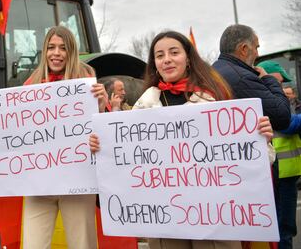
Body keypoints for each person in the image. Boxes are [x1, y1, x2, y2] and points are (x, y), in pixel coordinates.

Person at [90, 30, 274, 249]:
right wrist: (101, 147)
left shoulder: (216, 98)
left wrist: (260, 136)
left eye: (174, 52)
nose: (166, 59)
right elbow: (124, 163)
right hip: (165, 220)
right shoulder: (142, 106)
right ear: (155, 64)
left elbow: (249, 158)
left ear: (188, 58)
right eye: (159, 55)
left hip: (214, 217)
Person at [0, 26, 108, 249]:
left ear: (71, 52)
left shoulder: (88, 82)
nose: (56, 53)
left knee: (83, 244)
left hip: (77, 183)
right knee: (32, 244)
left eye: (63, 48)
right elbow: (9, 127)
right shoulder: (30, 85)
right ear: (44, 51)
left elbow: (105, 132)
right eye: (51, 47)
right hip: (39, 185)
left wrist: (101, 105)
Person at [212, 24, 291, 131]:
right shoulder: (243, 78)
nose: (257, 54)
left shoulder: (212, 72)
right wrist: (268, 78)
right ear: (244, 49)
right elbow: (282, 118)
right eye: (256, 47)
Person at [257, 60, 301, 249]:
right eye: (279, 82)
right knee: (284, 228)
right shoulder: (269, 101)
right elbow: (287, 124)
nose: (282, 87)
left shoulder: (277, 100)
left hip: (287, 173)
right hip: (279, 174)